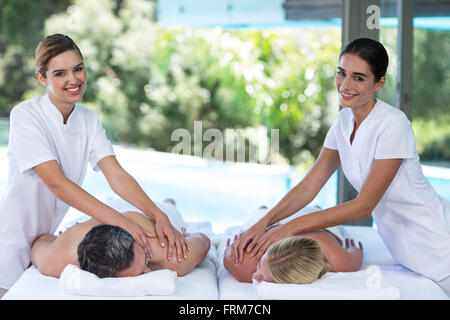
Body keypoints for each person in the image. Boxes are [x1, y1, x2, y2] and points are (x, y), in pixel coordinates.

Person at [231, 38, 450, 296]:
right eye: (341, 73)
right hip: (400, 245)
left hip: (436, 239)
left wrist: (289, 227)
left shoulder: (393, 125)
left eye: (358, 78)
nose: (345, 85)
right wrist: (265, 222)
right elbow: (308, 187)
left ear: (379, 83)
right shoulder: (343, 122)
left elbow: (363, 205)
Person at [0, 34, 189, 294]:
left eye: (78, 69)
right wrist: (122, 222)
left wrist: (160, 216)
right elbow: (58, 184)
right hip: (9, 242)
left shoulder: (88, 119)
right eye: (60, 74)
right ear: (42, 78)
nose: (73, 80)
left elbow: (116, 175)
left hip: (46, 236)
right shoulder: (25, 116)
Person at [31, 199, 210, 278]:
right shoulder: (57, 259)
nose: (149, 272)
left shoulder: (165, 253)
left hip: (150, 210)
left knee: (169, 206)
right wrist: (61, 239)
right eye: (141, 271)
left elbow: (203, 240)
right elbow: (40, 241)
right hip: (103, 209)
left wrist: (187, 236)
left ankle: (169, 203)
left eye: (146, 260)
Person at [224, 206, 363, 283]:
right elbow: (356, 251)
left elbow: (356, 253)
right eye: (260, 264)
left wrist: (355, 251)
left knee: (315, 208)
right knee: (262, 211)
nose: (255, 277)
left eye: (263, 279)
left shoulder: (340, 262)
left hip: (315, 216)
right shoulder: (252, 256)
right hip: (278, 217)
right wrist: (234, 250)